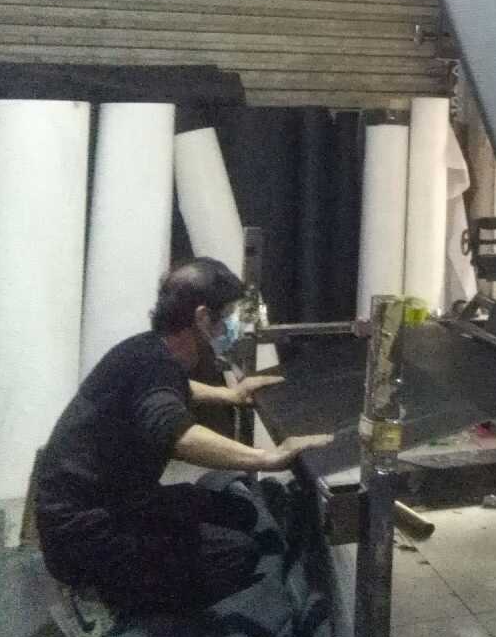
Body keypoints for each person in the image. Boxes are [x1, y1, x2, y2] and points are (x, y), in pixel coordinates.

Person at [36, 257, 333, 616]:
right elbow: (175, 433)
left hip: (115, 503)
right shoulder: (154, 364)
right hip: (86, 533)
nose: (232, 325)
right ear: (203, 317)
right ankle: (99, 596)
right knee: (236, 555)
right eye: (228, 315)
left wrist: (230, 395)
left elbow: (173, 389)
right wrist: (268, 458)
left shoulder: (144, 349)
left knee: (240, 513)